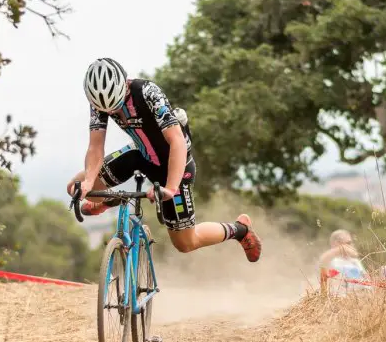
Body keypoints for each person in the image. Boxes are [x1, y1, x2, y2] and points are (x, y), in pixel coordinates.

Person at [67, 58, 262, 262]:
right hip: (140, 154)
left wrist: (170, 187)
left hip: (174, 162)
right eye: (107, 110)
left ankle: (240, 230)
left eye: (115, 105)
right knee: (76, 186)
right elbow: (96, 146)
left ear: (124, 84)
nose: (113, 112)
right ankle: (110, 198)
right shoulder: (99, 103)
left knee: (185, 243)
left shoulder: (148, 92)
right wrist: (89, 182)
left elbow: (176, 141)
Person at [318, 229, 371, 297]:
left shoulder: (354, 261)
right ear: (336, 243)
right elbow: (323, 261)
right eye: (348, 243)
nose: (351, 245)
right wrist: (342, 249)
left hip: (361, 298)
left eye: (351, 243)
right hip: (341, 300)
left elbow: (367, 282)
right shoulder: (331, 261)